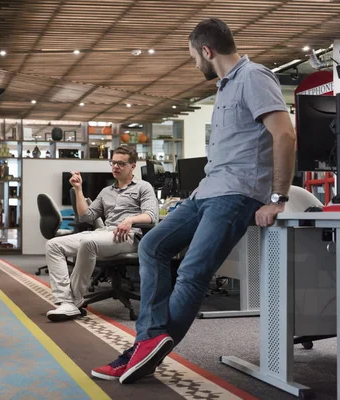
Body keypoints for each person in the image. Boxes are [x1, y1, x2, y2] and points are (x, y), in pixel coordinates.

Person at [92, 18, 296, 383]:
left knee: (192, 272)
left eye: (193, 57)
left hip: (236, 195)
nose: (194, 64)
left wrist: (278, 198)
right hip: (206, 192)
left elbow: (284, 135)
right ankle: (149, 338)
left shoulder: (254, 77)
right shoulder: (224, 89)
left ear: (206, 50)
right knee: (152, 244)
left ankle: (142, 353)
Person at [45, 145, 159, 321]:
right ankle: (66, 301)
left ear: (132, 166)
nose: (115, 167)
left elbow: (151, 216)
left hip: (127, 237)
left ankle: (72, 302)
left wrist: (130, 220)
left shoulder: (143, 187)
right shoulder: (106, 191)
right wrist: (78, 189)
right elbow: (86, 216)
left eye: (121, 163)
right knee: (53, 245)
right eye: (113, 163)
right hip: (104, 232)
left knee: (88, 243)